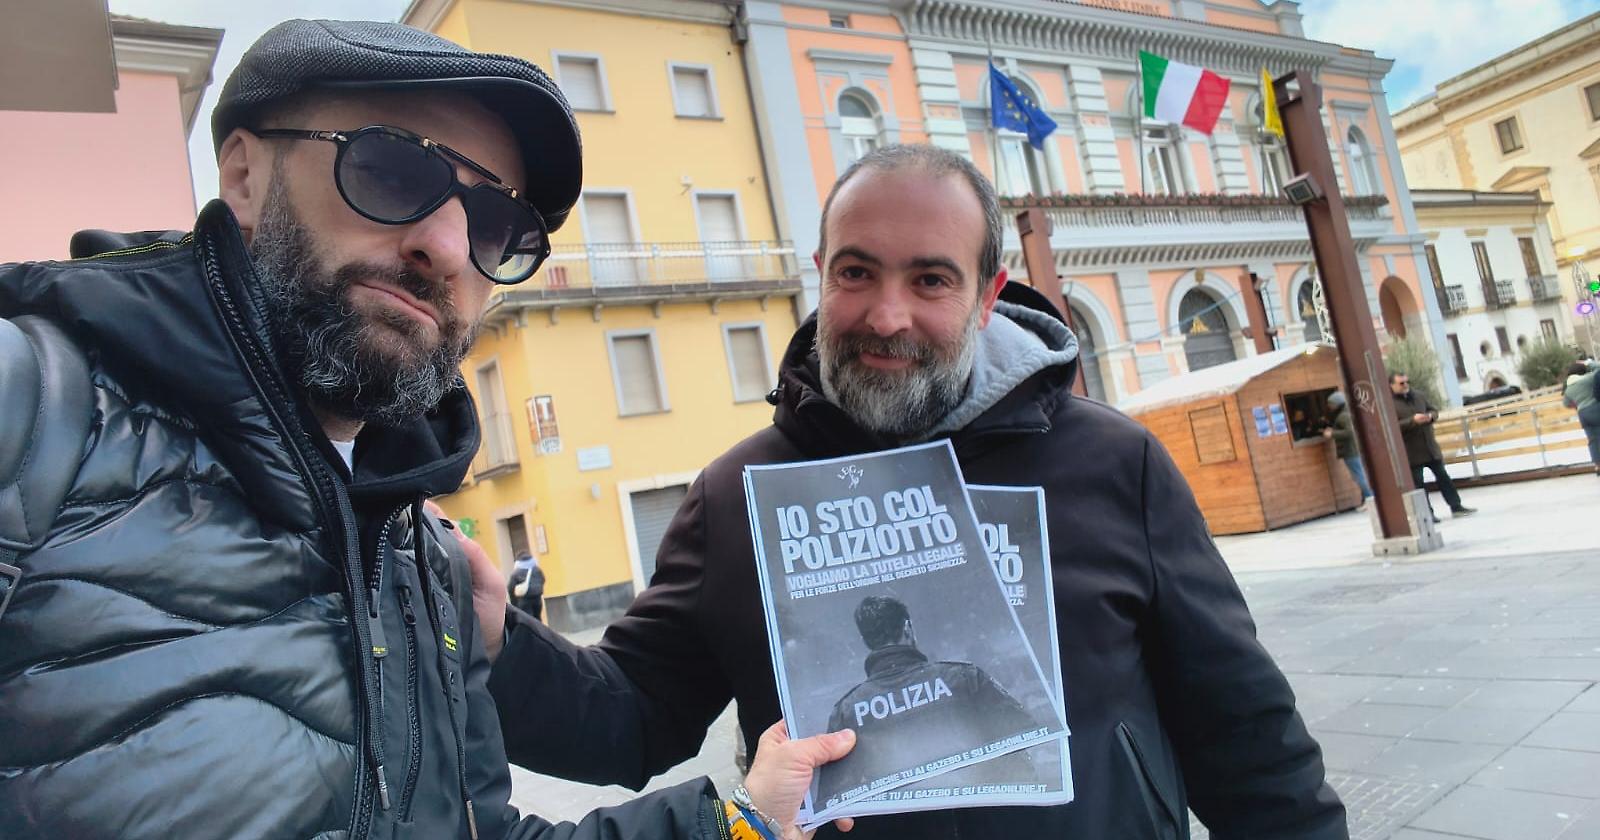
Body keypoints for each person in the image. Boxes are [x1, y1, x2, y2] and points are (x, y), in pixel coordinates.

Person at [0, 19, 851, 840]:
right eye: (392, 169)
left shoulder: (414, 550)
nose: (447, 245)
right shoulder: (37, 407)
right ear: (244, 174)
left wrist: (741, 824)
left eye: (497, 226)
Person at [470, 144, 1348, 838]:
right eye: (857, 273)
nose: (887, 315)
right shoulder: (738, 495)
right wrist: (498, 643)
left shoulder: (1114, 462)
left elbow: (1247, 736)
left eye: (930, 279)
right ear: (822, 273)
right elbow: (630, 720)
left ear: (988, 294)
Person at [823, 596, 1038, 798]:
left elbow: (836, 798)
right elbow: (1024, 732)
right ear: (907, 628)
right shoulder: (963, 677)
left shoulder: (847, 711)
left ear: (867, 641)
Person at [1390, 372, 1476, 520]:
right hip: (1412, 451)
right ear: (1392, 385)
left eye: (1406, 382)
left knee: (1444, 478)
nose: (1405, 385)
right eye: (1401, 383)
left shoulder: (1419, 395)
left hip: (1430, 448)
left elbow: (1433, 410)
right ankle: (1427, 515)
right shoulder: (1389, 403)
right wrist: (1412, 421)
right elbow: (1391, 426)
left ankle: (1456, 506)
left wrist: (1430, 416)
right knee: (1419, 485)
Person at [1322, 391, 1372, 507]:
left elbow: (1350, 432)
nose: (1329, 406)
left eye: (1331, 404)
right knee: (1359, 475)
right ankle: (1366, 499)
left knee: (1359, 476)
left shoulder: (1343, 416)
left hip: (1350, 450)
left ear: (1337, 403)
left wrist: (1332, 433)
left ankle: (1370, 499)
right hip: (1352, 450)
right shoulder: (1345, 413)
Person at [1562, 360, 1600, 473]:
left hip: (1582, 414)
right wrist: (1588, 363)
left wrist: (1578, 404)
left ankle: (1598, 465)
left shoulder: (1568, 388)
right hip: (1595, 409)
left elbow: (1566, 403)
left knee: (1593, 440)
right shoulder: (1588, 379)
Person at [510, 551, 547, 620]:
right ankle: (538, 631)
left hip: (523, 600)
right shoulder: (537, 570)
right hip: (537, 599)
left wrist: (514, 603)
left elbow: (511, 588)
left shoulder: (516, 572)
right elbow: (543, 580)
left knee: (528, 621)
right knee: (538, 619)